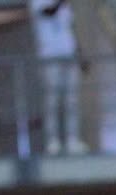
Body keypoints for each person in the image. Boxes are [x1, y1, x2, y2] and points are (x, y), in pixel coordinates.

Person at [29, 0, 86, 156]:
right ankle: (52, 141)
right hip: (50, 56)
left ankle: (72, 139)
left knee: (72, 100)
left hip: (69, 55)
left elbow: (70, 29)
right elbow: (49, 12)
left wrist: (80, 54)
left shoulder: (65, 6)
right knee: (52, 100)